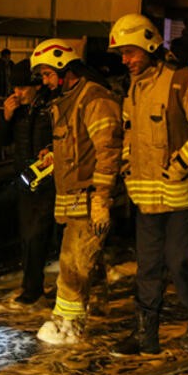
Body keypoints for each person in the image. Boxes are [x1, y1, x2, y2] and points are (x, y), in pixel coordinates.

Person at [108, 13, 188, 355]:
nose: (125, 60)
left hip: (184, 195)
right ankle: (145, 336)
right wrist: (127, 163)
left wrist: (182, 163)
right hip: (147, 197)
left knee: (179, 261)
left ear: (148, 44)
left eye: (129, 52)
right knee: (147, 267)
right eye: (122, 55)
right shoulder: (135, 88)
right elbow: (130, 131)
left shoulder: (183, 80)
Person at [31, 38, 123, 345]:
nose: (44, 81)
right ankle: (81, 311)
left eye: (46, 74)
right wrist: (53, 155)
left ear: (63, 69)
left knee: (73, 263)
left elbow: (108, 151)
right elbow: (77, 146)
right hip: (72, 198)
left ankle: (69, 324)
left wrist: (101, 199)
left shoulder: (93, 99)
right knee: (77, 262)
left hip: (88, 197)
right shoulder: (67, 100)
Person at [3, 59, 55, 304]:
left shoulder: (50, 105)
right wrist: (7, 117)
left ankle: (34, 288)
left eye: (22, 88)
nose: (17, 93)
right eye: (14, 88)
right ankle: (32, 285)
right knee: (28, 235)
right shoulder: (19, 110)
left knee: (39, 235)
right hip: (25, 179)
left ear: (35, 86)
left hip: (47, 180)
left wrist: (51, 151)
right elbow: (2, 144)